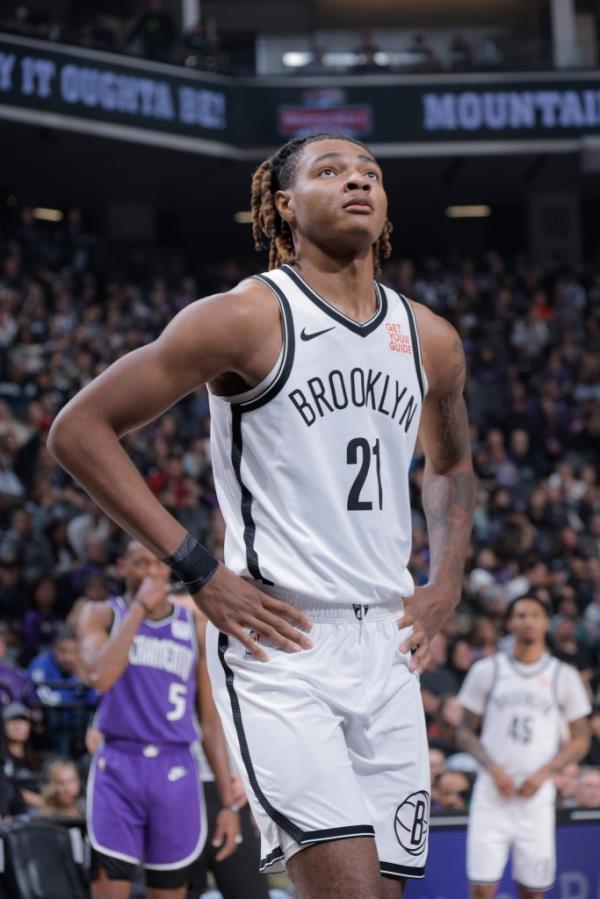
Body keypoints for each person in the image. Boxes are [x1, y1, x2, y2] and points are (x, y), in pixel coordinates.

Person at [48, 133, 475, 899]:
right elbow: (79, 429)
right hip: (282, 639)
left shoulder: (431, 339)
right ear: (284, 204)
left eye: (370, 173)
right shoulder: (246, 317)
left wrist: (447, 580)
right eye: (330, 171)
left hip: (387, 644)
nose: (357, 181)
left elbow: (450, 464)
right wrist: (197, 570)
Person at [77, 541, 241, 899]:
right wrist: (138, 608)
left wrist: (228, 804)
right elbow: (100, 677)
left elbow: (210, 723)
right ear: (121, 567)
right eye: (140, 563)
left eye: (158, 564)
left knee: (168, 888)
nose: (151, 572)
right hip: (118, 765)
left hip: (175, 769)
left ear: (169, 570)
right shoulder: (100, 614)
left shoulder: (194, 625)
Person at [457, 595, 591, 899]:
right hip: (493, 793)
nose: (528, 621)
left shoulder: (563, 675)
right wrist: (492, 768)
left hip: (536, 796)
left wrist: (547, 771)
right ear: (509, 623)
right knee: (481, 889)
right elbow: (464, 730)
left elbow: (582, 738)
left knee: (532, 891)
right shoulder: (487, 670)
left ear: (546, 622)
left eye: (535, 614)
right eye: (520, 615)